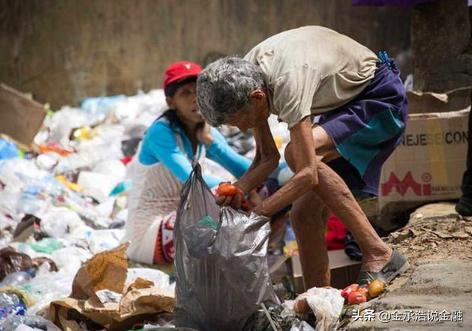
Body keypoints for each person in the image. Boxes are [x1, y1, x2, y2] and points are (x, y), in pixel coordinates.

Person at [197, 26, 409, 287]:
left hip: (378, 99)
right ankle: (318, 300)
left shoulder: (288, 80)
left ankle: (379, 252)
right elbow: (267, 159)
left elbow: (307, 173)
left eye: (239, 121)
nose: (242, 129)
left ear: (257, 97)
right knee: (302, 216)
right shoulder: (248, 73)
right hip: (341, 106)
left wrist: (258, 216)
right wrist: (239, 188)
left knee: (296, 152)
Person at [123, 61, 251, 265]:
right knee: (221, 218)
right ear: (171, 102)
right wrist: (234, 190)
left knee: (254, 199)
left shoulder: (205, 128)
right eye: (185, 93)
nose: (195, 99)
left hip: (181, 221)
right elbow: (189, 176)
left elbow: (245, 169)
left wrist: (212, 145)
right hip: (148, 233)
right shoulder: (160, 132)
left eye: (199, 91)